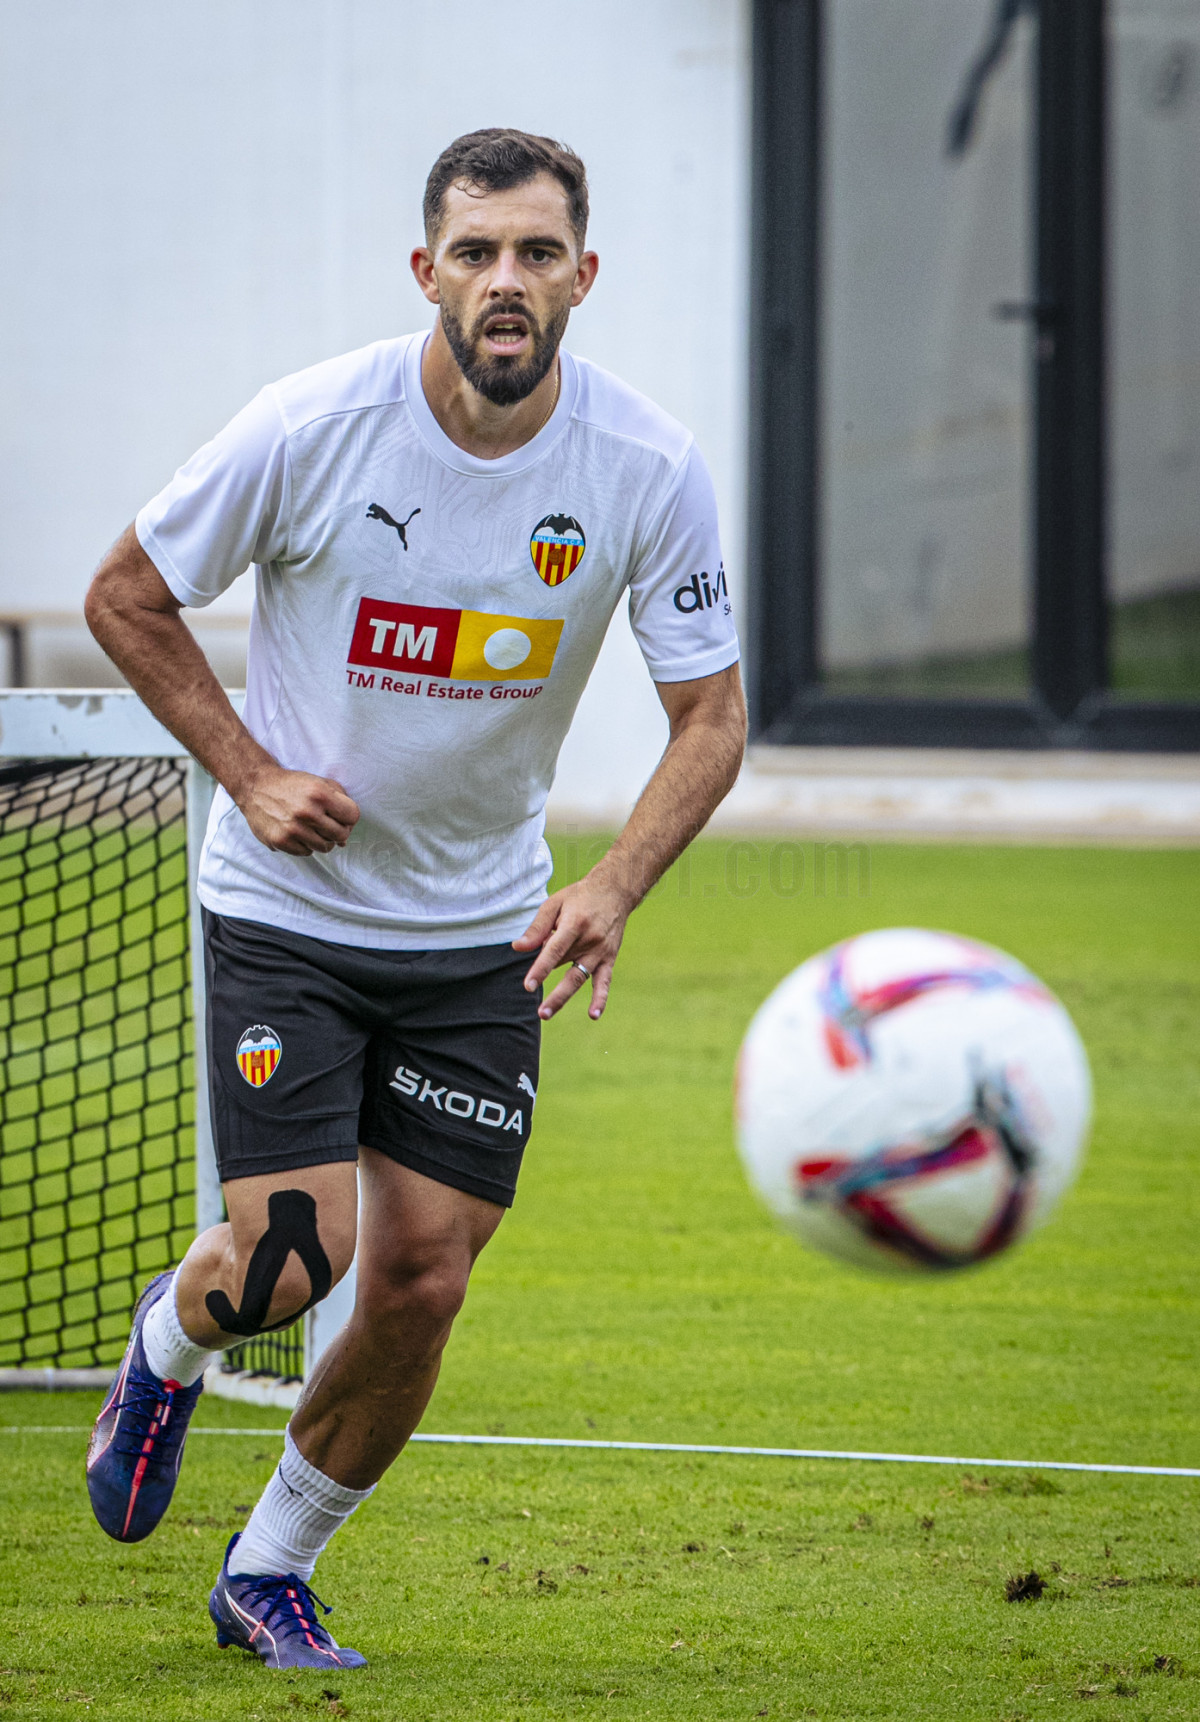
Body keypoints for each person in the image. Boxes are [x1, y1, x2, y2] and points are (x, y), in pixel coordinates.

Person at [83, 127, 745, 1670]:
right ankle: (168, 1344)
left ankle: (269, 1569)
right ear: (426, 272)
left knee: (425, 1276)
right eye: (476, 251)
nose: (506, 279)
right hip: (290, 915)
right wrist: (250, 772)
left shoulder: (646, 465)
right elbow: (127, 594)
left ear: (584, 274)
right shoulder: (311, 426)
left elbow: (711, 715)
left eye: (536, 252)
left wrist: (614, 883)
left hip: (478, 939)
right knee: (288, 1261)